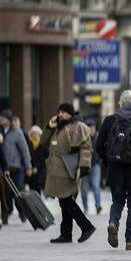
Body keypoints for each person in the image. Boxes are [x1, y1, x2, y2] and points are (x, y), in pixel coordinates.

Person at [96, 90, 131, 250]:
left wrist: (107, 161)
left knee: (117, 201)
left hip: (115, 168)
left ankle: (113, 222)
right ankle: (130, 241)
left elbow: (98, 146)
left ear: (121, 103)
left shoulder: (109, 121)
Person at [42, 103, 95, 243]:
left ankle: (86, 227)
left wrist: (84, 166)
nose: (60, 115)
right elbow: (43, 142)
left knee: (66, 200)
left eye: (63, 112)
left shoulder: (78, 126)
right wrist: (49, 127)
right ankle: (66, 234)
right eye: (59, 112)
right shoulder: (57, 127)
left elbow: (86, 147)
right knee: (63, 201)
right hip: (56, 170)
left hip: (69, 169)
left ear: (70, 113)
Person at [0, 109, 32, 224]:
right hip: (3, 168)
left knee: (17, 192)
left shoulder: (17, 132)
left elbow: (25, 150)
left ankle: (22, 213)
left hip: (15, 168)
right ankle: (5, 215)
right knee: (4, 193)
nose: (0, 119)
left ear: (8, 120)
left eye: (2, 118)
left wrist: (28, 167)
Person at [80, 121, 103, 215]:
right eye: (89, 128)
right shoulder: (83, 138)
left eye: (92, 128)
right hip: (85, 166)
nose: (91, 130)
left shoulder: (99, 137)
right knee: (84, 188)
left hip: (95, 165)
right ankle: (85, 207)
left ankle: (98, 206)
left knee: (96, 186)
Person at [28, 125, 47, 195]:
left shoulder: (43, 145)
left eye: (36, 133)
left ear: (39, 134)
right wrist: (32, 167)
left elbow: (46, 158)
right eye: (33, 133)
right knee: (32, 191)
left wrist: (37, 167)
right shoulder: (29, 144)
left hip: (40, 171)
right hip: (31, 172)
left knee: (38, 190)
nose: (34, 135)